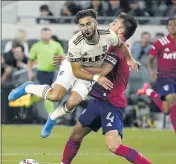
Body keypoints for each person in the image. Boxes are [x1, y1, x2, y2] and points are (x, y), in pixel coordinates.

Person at [41, 18, 167, 164]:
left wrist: (72, 64)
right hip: (99, 100)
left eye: (114, 23)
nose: (109, 25)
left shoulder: (116, 50)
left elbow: (102, 70)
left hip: (112, 103)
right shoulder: (111, 46)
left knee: (114, 146)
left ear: (121, 31)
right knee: (76, 133)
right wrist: (69, 59)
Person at [8, 10, 140, 137]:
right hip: (74, 67)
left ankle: (52, 117)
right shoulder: (75, 42)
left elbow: (121, 46)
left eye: (88, 24)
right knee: (55, 96)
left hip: (90, 69)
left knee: (73, 101)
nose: (86, 28)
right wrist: (94, 76)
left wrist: (130, 59)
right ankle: (28, 87)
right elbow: (77, 71)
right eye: (82, 25)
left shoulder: (109, 36)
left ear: (95, 24)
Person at [137, 18, 176, 132]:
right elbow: (149, 60)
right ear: (167, 28)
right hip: (164, 77)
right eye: (170, 25)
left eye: (175, 25)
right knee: (172, 98)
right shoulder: (161, 42)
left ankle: (148, 91)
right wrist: (152, 72)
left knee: (166, 110)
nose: (173, 27)